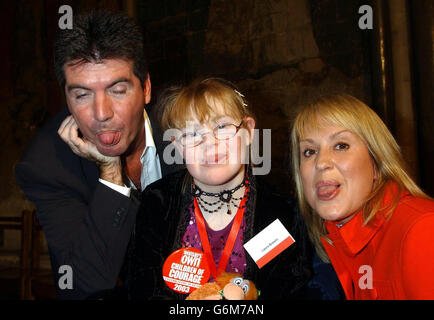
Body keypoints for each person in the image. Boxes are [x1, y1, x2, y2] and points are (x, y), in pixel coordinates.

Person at [125, 78, 342, 300]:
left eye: (222, 127)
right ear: (179, 146)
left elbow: (289, 290)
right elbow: (141, 291)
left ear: (248, 132)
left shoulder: (282, 213)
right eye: (192, 134)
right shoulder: (157, 202)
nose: (209, 143)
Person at [14, 10, 177, 299]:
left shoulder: (188, 131)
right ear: (66, 98)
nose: (101, 114)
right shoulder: (46, 165)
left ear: (146, 88)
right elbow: (82, 286)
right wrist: (111, 174)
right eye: (82, 95)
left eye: (117, 90)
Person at [290, 94, 434, 299]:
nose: (321, 162)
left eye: (341, 145)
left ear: (377, 163)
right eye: (309, 151)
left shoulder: (423, 229)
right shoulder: (333, 239)